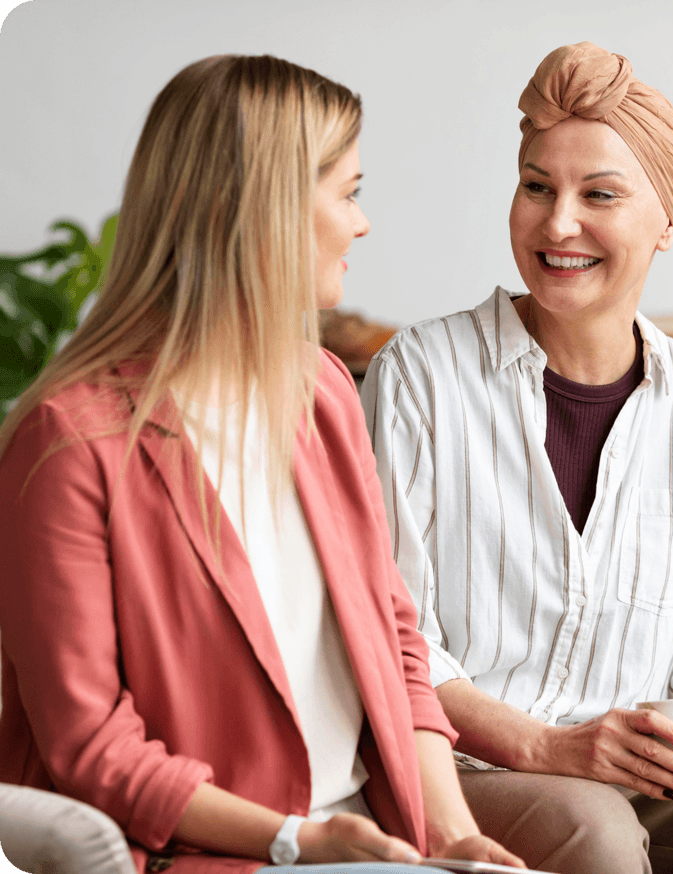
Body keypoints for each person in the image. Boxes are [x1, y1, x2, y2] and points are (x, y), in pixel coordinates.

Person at [0, 55, 524, 874]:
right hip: (209, 852)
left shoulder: (319, 389)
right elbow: (88, 742)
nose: (362, 223)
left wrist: (454, 837)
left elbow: (393, 636)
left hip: (366, 829)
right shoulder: (70, 442)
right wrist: (296, 841)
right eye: (348, 192)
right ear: (265, 210)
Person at [360, 42, 673, 874]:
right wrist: (551, 747)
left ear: (666, 221)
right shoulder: (422, 374)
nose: (557, 224)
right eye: (536, 187)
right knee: (591, 826)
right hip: (464, 768)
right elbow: (389, 630)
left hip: (636, 766)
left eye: (600, 195)